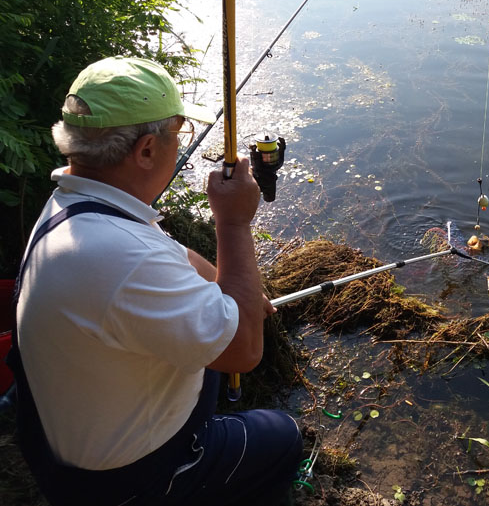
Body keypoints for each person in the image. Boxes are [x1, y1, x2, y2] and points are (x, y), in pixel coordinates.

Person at [10, 56, 303, 505]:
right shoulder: (120, 257)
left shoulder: (77, 204)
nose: (182, 145)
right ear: (146, 150)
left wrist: (240, 293)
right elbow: (244, 352)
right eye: (179, 133)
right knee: (283, 437)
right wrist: (233, 225)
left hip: (63, 442)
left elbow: (169, 253)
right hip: (126, 482)